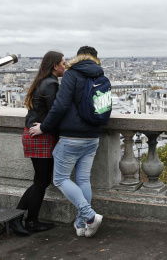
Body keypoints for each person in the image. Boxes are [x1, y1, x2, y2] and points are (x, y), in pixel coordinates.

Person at [29, 46, 106, 238]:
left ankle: (89, 216)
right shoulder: (100, 76)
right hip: (93, 136)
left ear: (78, 57)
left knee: (60, 179)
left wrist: (44, 127)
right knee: (82, 180)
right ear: (95, 59)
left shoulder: (72, 74)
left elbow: (60, 105)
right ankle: (81, 225)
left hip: (72, 136)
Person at [9, 50, 65, 236]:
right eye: (63, 64)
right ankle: (27, 220)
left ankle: (22, 219)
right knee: (41, 181)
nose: (65, 67)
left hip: (34, 134)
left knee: (40, 181)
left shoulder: (42, 81)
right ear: (55, 65)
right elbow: (55, 113)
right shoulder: (51, 84)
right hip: (40, 135)